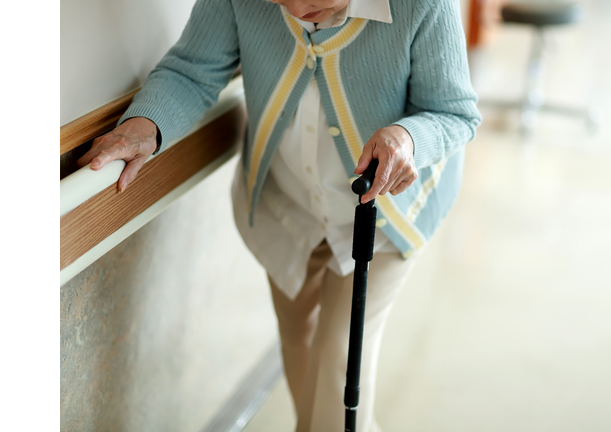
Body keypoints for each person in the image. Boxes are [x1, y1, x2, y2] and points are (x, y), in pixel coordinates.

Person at [78, 0, 481, 430]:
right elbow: (191, 70)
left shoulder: (423, 5)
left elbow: (454, 113)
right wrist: (144, 126)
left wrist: (407, 138)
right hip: (286, 207)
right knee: (300, 352)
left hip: (381, 220)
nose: (298, 9)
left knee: (340, 369)